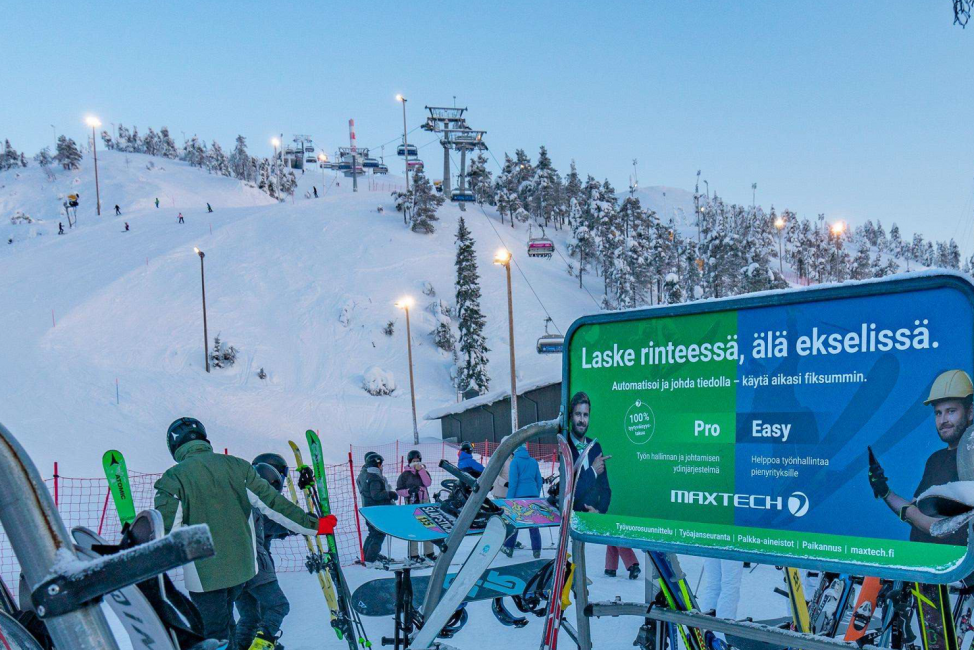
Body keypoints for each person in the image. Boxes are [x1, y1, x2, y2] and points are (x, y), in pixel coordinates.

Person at [154, 418, 336, 644]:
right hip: (243, 571)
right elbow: (274, 504)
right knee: (236, 624)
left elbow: (167, 534)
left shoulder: (173, 479)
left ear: (173, 445)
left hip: (205, 578)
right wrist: (315, 525)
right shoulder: (238, 467)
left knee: (216, 636)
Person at [870, 369, 974, 546]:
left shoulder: (970, 457)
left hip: (954, 570)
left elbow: (939, 528)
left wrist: (912, 513)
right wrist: (884, 491)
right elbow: (915, 510)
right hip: (925, 566)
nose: (943, 420)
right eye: (938, 413)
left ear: (970, 412)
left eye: (951, 411)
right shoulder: (935, 459)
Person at [234, 459, 295, 650]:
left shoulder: (237, 500)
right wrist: (303, 525)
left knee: (251, 616)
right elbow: (273, 522)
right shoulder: (255, 504)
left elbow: (268, 527)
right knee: (279, 606)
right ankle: (261, 645)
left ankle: (240, 646)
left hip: (235, 569)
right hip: (255, 565)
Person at [501, 446, 543, 558]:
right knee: (533, 524)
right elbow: (539, 480)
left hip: (519, 498)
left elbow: (513, 483)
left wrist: (509, 500)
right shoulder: (533, 461)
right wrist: (535, 494)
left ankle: (509, 548)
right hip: (533, 496)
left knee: (515, 523)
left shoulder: (515, 462)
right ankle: (536, 549)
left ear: (515, 453)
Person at [357, 452, 397, 563]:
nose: (382, 466)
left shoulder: (365, 474)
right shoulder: (374, 477)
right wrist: (389, 494)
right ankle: (370, 558)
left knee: (373, 533)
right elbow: (376, 495)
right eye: (380, 464)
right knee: (378, 534)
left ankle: (366, 555)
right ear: (376, 464)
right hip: (376, 510)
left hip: (369, 508)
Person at [397, 450, 435, 562]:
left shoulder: (424, 471)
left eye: (418, 461)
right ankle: (413, 555)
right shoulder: (404, 475)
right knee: (414, 528)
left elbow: (427, 483)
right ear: (409, 462)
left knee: (428, 526)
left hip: (424, 501)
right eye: (414, 461)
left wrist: (421, 471)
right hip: (412, 503)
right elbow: (399, 491)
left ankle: (429, 552)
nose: (416, 463)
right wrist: (409, 491)